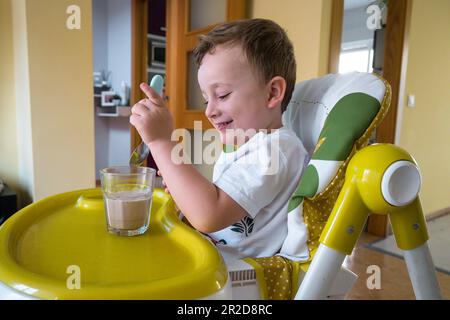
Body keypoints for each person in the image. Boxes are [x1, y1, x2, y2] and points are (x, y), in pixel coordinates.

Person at [130, 18, 308, 263]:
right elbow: (218, 201)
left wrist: (161, 142)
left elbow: (209, 214)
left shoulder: (276, 149)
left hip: (235, 274)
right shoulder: (246, 144)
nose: (209, 111)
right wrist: (187, 192)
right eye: (206, 100)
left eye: (222, 95)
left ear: (272, 92)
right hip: (210, 253)